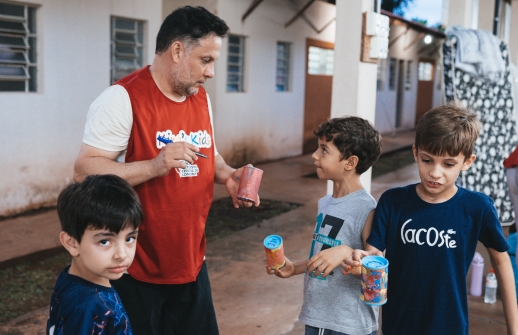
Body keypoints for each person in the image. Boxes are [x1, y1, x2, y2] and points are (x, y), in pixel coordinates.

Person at [73, 6, 257, 334]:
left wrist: (228, 174)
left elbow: (207, 154)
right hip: (136, 271)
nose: (211, 72)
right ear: (176, 51)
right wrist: (154, 165)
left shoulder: (199, 98)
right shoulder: (122, 98)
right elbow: (85, 171)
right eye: (206, 60)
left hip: (191, 263)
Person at [342, 102, 518, 335]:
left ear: (467, 162)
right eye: (427, 160)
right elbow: (374, 255)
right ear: (415, 153)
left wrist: (513, 330)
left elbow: (502, 260)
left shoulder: (476, 207)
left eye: (448, 164)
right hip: (397, 326)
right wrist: (359, 259)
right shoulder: (393, 201)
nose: (435, 172)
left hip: (450, 327)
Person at [267, 116, 382, 335]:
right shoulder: (326, 202)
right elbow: (324, 253)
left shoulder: (367, 209)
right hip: (320, 315)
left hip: (347, 323)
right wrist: (295, 268)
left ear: (350, 162)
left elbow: (376, 274)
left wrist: (348, 252)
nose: (314, 155)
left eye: (324, 150)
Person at [46, 174, 143, 334]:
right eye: (105, 241)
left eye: (130, 238)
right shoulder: (87, 307)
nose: (121, 254)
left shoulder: (72, 279)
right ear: (71, 243)